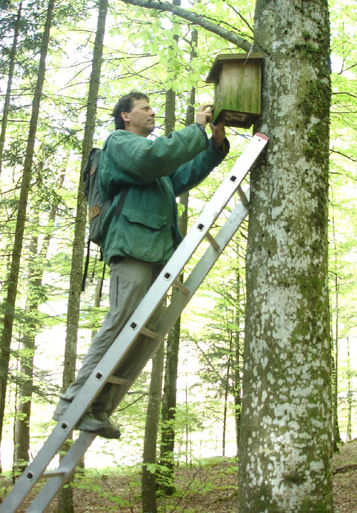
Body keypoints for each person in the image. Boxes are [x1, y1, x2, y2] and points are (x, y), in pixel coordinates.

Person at [53, 91, 229, 438]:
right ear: (125, 117)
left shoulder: (153, 167)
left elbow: (181, 175)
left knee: (142, 334)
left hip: (156, 253)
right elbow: (154, 157)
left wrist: (214, 145)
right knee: (120, 324)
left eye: (151, 108)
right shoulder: (120, 144)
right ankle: (72, 404)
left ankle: (98, 407)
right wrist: (195, 129)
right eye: (144, 109)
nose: (151, 113)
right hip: (132, 248)